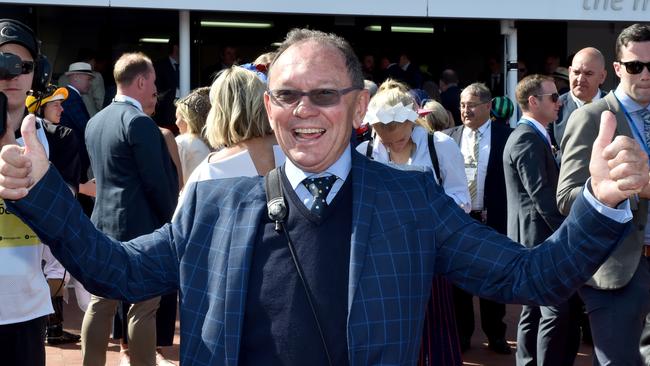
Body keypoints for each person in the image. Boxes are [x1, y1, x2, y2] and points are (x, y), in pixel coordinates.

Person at [0, 28, 648, 366]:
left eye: (324, 94)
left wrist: (598, 203)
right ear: (268, 105)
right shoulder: (215, 203)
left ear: (359, 105)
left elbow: (528, 275)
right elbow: (117, 270)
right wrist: (42, 193)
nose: (303, 111)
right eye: (286, 95)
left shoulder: (410, 202)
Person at [557, 23, 650, 366]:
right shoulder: (592, 118)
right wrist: (625, 190)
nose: (644, 75)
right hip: (615, 267)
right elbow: (566, 197)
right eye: (635, 66)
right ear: (617, 68)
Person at [356, 79, 466, 366]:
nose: (393, 145)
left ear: (413, 122)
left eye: (401, 139)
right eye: (385, 140)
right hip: (381, 264)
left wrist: (424, 216)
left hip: (429, 259)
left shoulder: (439, 145)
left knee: (432, 339)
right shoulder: (363, 154)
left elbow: (461, 199)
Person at [79, 52, 179, 366]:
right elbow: (157, 184)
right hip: (141, 233)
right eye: (152, 82)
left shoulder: (95, 122)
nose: (155, 90)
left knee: (101, 305)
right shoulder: (140, 123)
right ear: (139, 81)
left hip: (101, 227)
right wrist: (172, 223)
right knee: (143, 308)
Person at [504, 74, 575, 365]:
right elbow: (541, 195)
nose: (559, 103)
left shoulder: (535, 134)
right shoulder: (526, 138)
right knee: (554, 310)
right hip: (538, 240)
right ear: (533, 101)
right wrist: (567, 232)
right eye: (553, 97)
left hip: (534, 238)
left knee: (534, 309)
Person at [444, 82, 512, 354]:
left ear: (487, 106)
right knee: (460, 282)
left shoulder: (506, 136)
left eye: (471, 105)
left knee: (493, 277)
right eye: (462, 105)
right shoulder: (448, 138)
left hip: (492, 217)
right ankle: (462, 335)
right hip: (460, 221)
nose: (465, 110)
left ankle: (496, 335)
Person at [25, 86, 83, 346]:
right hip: (52, 213)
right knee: (56, 266)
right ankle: (52, 327)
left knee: (43, 266)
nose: (61, 109)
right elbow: (70, 186)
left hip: (24, 214)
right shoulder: (63, 134)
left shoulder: (16, 132)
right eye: (55, 104)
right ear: (39, 107)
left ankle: (46, 326)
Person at [549, 47, 608, 156]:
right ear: (569, 71)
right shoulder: (553, 106)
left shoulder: (615, 106)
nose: (580, 79)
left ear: (602, 76)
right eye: (576, 72)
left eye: (588, 73)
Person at [174, 87, 212, 185]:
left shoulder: (182, 143)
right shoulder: (219, 144)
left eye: (179, 117)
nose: (176, 123)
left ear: (188, 119)